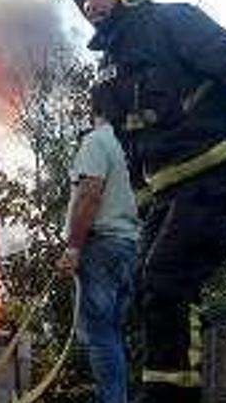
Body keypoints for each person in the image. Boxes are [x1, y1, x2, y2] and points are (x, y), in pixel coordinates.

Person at [61, 0, 226, 403]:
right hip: (170, 196)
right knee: (151, 289)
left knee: (167, 280)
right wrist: (144, 203)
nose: (90, 4)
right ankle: (176, 386)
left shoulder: (173, 23)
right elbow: (129, 151)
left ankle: (171, 397)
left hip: (218, 172)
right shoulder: (107, 76)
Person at [56, 86, 140, 403]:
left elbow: (90, 194)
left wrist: (74, 247)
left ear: (97, 110)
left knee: (100, 336)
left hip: (100, 247)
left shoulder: (97, 141)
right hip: (129, 246)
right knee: (113, 334)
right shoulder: (133, 147)